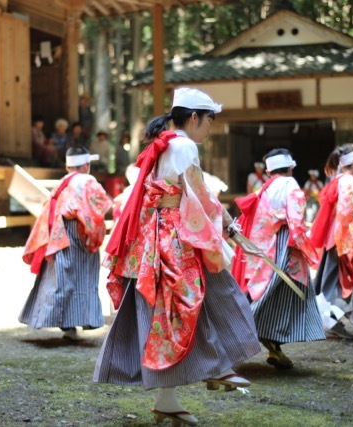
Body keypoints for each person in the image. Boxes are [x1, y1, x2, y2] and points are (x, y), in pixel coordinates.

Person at [94, 87, 261, 426]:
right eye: (209, 120)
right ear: (194, 117)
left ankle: (171, 397)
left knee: (167, 313)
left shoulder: (166, 143)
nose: (210, 127)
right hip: (177, 235)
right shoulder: (183, 145)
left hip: (156, 235)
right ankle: (219, 368)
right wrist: (229, 227)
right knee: (201, 297)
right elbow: (199, 195)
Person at [231, 149, 325, 369]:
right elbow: (296, 221)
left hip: (263, 247)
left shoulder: (267, 186)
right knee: (280, 298)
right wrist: (309, 251)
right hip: (284, 246)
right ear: (291, 167)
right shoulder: (291, 185)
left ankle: (274, 349)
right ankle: (234, 340)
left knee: (267, 296)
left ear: (268, 170)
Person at [20, 146, 112, 340]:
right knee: (82, 275)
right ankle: (77, 320)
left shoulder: (62, 182)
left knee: (61, 276)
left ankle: (63, 323)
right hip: (78, 232)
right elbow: (101, 205)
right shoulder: (88, 180)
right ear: (86, 165)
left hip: (58, 233)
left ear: (67, 166)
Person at [310, 143, 353, 338]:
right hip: (345, 233)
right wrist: (347, 242)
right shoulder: (349, 180)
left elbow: (346, 203)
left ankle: (332, 318)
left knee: (331, 278)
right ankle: (352, 310)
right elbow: (343, 210)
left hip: (335, 233)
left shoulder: (339, 178)